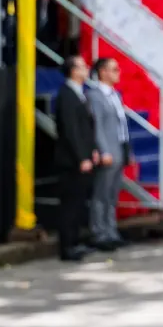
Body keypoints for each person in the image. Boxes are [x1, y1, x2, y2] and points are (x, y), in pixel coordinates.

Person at [55, 56, 98, 262]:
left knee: (79, 202)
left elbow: (86, 128)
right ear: (72, 70)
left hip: (83, 157)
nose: (86, 69)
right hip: (71, 160)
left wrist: (93, 150)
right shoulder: (66, 95)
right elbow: (71, 130)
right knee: (70, 204)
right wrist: (82, 157)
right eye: (82, 66)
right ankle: (67, 247)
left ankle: (75, 241)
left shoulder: (80, 93)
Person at [87, 57, 131, 251]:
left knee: (112, 194)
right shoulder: (95, 96)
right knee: (101, 194)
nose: (118, 73)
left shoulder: (115, 95)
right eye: (114, 69)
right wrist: (103, 150)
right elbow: (96, 126)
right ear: (103, 72)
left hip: (119, 147)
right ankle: (99, 232)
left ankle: (111, 231)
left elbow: (121, 126)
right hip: (108, 150)